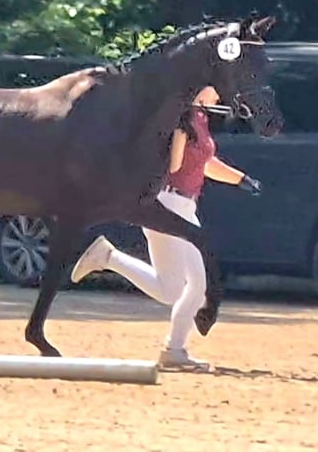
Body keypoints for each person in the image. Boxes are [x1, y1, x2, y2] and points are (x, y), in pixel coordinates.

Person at [70, 85, 262, 371]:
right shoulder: (183, 117)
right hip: (169, 204)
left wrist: (240, 179)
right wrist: (178, 130)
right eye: (216, 90)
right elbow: (173, 166)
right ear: (202, 88)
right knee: (187, 289)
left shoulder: (199, 117)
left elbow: (203, 163)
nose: (220, 97)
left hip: (185, 207)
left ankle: (109, 259)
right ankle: (173, 349)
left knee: (182, 288)